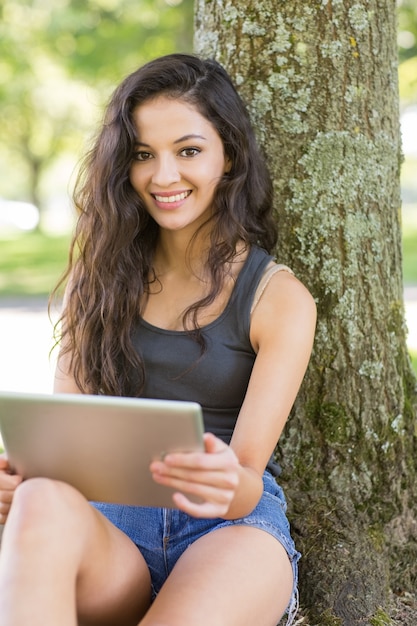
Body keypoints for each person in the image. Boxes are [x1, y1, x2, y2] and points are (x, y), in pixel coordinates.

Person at [0, 53, 316, 626]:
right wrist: (20, 484)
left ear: (230, 155)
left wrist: (223, 479)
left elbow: (244, 484)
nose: (163, 176)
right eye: (143, 154)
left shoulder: (278, 298)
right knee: (41, 500)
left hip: (229, 531)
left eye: (188, 150)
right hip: (111, 531)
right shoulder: (95, 283)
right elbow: (64, 449)